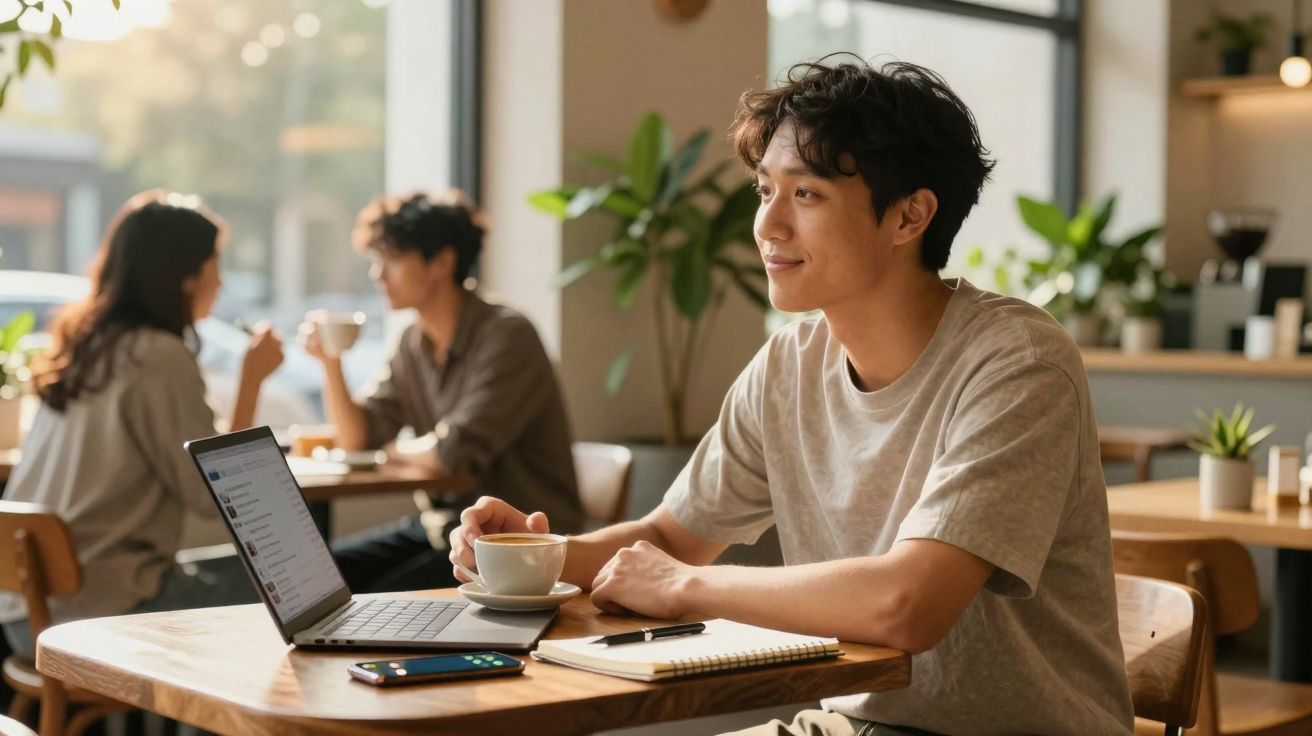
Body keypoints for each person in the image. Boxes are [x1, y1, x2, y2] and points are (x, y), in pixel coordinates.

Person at [449, 58, 1134, 736]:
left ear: (909, 216)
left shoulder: (1017, 362)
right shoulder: (791, 362)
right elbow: (668, 540)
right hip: (850, 724)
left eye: (805, 196)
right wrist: (532, 555)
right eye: (764, 190)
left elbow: (908, 604)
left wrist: (684, 588)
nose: (768, 227)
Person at [0, 190, 284, 660]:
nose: (222, 279)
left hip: (24, 612)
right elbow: (213, 495)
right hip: (97, 614)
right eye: (214, 263)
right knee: (293, 588)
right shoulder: (157, 356)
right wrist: (250, 380)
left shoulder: (87, 347)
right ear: (185, 276)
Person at [306, 189, 583, 594]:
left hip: (517, 545)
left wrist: (393, 451)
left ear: (443, 262)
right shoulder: (412, 342)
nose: (377, 275)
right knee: (316, 578)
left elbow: (450, 455)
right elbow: (357, 437)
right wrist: (330, 361)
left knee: (365, 600)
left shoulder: (506, 335)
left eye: (392, 259)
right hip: (448, 532)